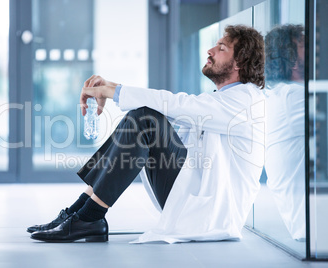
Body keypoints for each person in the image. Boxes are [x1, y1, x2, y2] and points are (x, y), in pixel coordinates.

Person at [28, 24, 266, 243]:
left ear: (239, 63)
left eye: (221, 48)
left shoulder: (245, 101)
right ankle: (80, 212)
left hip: (212, 213)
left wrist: (112, 90)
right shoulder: (223, 99)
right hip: (194, 196)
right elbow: (171, 112)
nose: (210, 50)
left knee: (145, 119)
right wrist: (108, 86)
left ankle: (90, 216)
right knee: (142, 116)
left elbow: (179, 104)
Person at [264, 24, 305, 240]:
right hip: (314, 228)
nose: (316, 48)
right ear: (290, 57)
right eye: (303, 44)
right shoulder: (293, 97)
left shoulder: (281, 94)